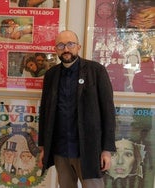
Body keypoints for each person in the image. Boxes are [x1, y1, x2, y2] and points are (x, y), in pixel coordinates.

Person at [38, 30, 116, 188]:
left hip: (88, 149)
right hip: (61, 150)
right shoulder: (51, 75)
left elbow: (108, 112)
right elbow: (45, 112)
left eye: (70, 44)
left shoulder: (96, 71)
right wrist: (43, 147)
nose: (66, 49)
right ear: (56, 49)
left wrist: (107, 150)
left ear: (78, 46)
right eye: (61, 45)